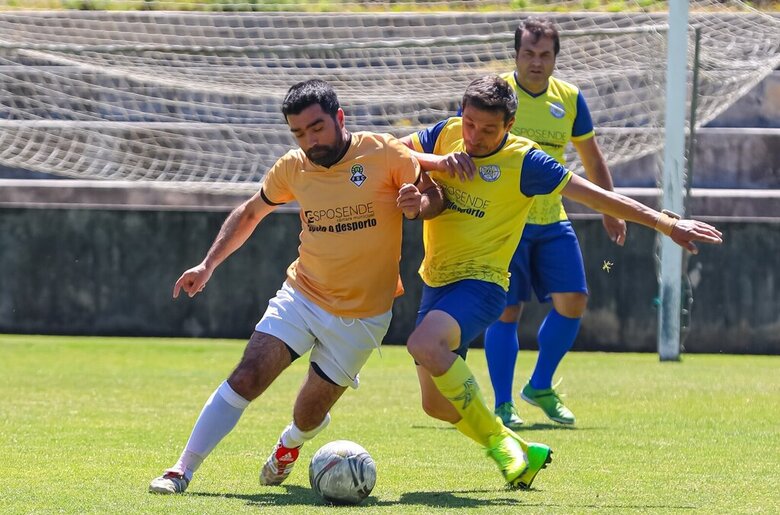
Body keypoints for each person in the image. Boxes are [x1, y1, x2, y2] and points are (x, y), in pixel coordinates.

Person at [400, 75, 722, 490]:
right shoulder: (445, 135)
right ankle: (522, 450)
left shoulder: (526, 161)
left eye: (489, 129)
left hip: (482, 283)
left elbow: (596, 196)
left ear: (510, 125)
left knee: (424, 344)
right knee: (436, 405)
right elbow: (387, 149)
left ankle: (501, 445)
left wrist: (667, 224)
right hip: (436, 281)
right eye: (470, 124)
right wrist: (436, 164)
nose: (474, 137)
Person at [148, 79, 443, 494]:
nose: (309, 140)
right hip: (303, 295)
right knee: (249, 375)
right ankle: (181, 470)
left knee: (308, 413)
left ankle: (290, 443)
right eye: (299, 133)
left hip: (364, 316)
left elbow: (434, 196)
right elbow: (250, 213)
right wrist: (208, 264)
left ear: (340, 118)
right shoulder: (292, 167)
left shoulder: (384, 152)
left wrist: (419, 206)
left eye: (317, 127)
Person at [484, 17, 628, 429]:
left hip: (551, 220)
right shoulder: (495, 94)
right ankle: (503, 405)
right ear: (516, 55)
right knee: (507, 310)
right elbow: (468, 144)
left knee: (574, 301)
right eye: (528, 53)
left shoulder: (570, 98)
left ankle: (540, 385)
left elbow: (592, 158)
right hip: (505, 224)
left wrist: (610, 208)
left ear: (555, 58)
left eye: (545, 54)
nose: (536, 62)